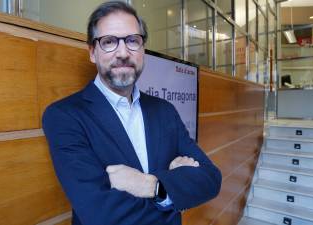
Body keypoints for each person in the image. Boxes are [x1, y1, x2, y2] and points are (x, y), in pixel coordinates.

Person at [42, 2, 222, 225]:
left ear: (143, 49)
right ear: (92, 52)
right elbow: (101, 216)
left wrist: (151, 186)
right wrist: (173, 188)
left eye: (132, 41)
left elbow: (211, 179)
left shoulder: (165, 111)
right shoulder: (64, 116)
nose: (123, 53)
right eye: (109, 42)